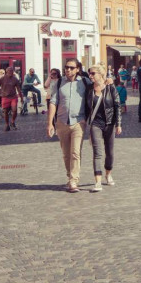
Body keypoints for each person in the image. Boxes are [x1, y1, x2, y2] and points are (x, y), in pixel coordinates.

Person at [47, 58, 92, 193]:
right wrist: (50, 123)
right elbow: (53, 102)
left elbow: (98, 88)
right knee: (66, 154)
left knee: (75, 152)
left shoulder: (85, 82)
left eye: (71, 68)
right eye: (66, 67)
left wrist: (109, 81)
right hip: (61, 122)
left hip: (78, 122)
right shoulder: (59, 83)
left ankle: (74, 180)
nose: (68, 70)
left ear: (77, 69)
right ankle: (69, 176)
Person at [86, 64, 122, 192]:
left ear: (101, 74)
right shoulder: (89, 88)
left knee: (110, 152)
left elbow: (117, 105)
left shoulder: (110, 87)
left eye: (93, 73)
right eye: (89, 73)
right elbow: (87, 108)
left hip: (109, 123)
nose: (90, 75)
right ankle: (98, 182)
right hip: (96, 123)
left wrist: (118, 124)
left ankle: (108, 174)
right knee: (97, 152)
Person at [0, 67, 24, 131]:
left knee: (14, 110)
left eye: (11, 71)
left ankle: (12, 121)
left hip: (13, 97)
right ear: (6, 71)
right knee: (6, 112)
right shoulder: (2, 78)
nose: (10, 72)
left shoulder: (15, 79)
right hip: (5, 97)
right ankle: (7, 124)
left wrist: (21, 97)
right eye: (9, 71)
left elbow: (18, 89)